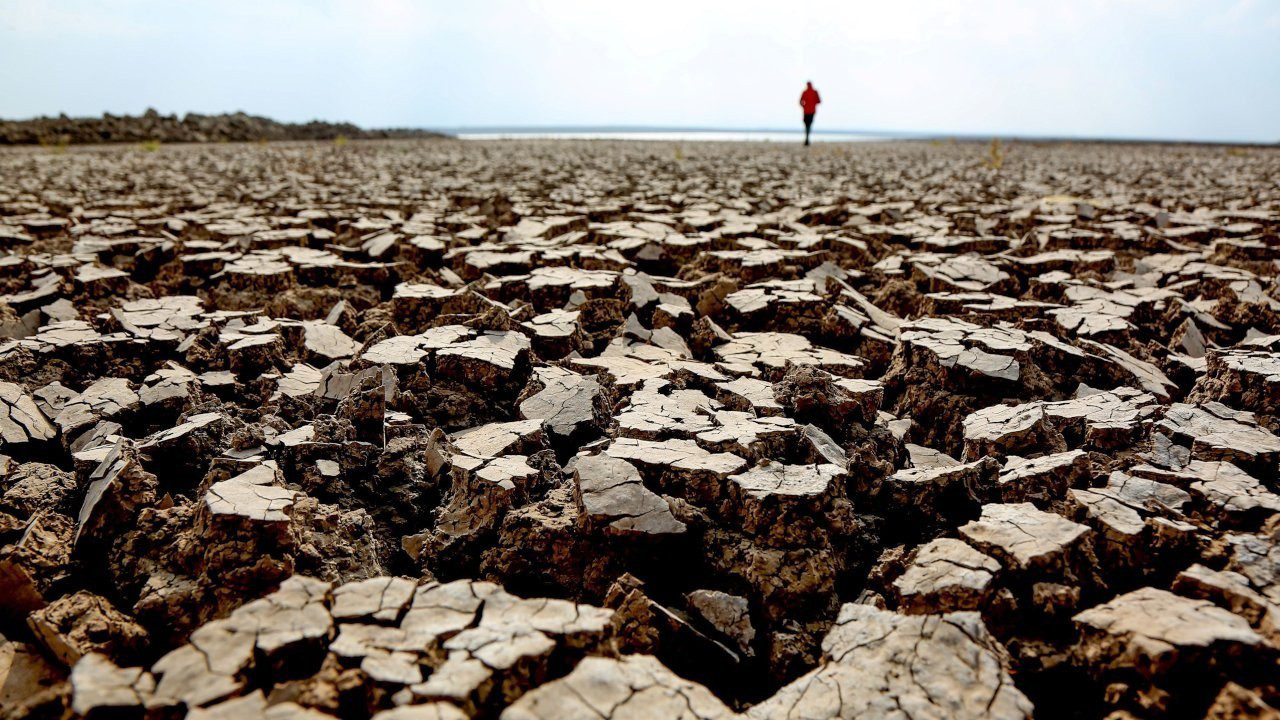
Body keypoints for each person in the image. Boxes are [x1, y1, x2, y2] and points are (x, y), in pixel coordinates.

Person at [799, 81, 821, 146]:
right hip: (810, 111)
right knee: (808, 125)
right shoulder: (813, 92)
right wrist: (812, 104)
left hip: (807, 111)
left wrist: (804, 106)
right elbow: (819, 101)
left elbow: (800, 101)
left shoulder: (806, 92)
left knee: (807, 125)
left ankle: (807, 138)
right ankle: (807, 138)